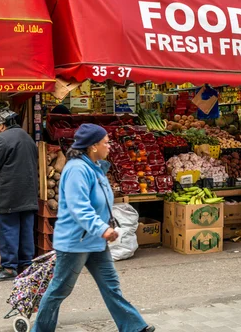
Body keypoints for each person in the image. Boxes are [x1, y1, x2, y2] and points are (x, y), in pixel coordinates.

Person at [33, 124, 154, 332]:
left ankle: (134, 327)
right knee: (59, 290)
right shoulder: (77, 170)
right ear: (93, 146)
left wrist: (104, 228)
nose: (109, 146)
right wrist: (102, 228)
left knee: (111, 286)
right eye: (106, 142)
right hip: (76, 242)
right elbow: (79, 206)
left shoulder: (94, 168)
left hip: (95, 241)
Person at [0, 110, 38, 281]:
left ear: (3, 125)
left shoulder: (2, 139)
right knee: (26, 230)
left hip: (8, 194)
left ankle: (9, 268)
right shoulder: (28, 138)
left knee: (8, 230)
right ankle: (26, 265)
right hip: (27, 193)